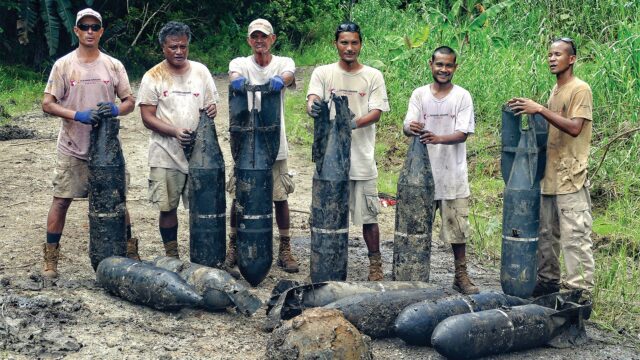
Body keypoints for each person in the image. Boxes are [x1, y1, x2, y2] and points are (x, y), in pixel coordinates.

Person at [41, 8, 137, 278]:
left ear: (101, 31)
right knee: (61, 201)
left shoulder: (113, 65)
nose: (90, 32)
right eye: (85, 27)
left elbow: (130, 101)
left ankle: (131, 250)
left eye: (95, 27)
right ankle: (51, 259)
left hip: (107, 150)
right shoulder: (64, 65)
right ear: (76, 31)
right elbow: (47, 103)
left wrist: (117, 110)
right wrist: (77, 115)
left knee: (117, 202)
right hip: (72, 147)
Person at [508, 38, 594, 300]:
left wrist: (540, 109)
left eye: (558, 54)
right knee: (546, 236)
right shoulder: (555, 90)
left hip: (571, 176)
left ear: (572, 59)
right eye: (549, 55)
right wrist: (532, 111)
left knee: (574, 237)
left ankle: (579, 293)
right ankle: (548, 283)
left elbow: (575, 127)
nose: (552, 58)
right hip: (550, 175)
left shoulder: (579, 89)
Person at [307, 21, 390, 280]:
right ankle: (326, 262)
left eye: (354, 42)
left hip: (361, 158)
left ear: (360, 44)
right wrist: (315, 108)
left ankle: (375, 264)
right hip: (329, 162)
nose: (349, 47)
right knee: (327, 215)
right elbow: (312, 101)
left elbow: (376, 112)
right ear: (336, 44)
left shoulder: (373, 75)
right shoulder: (323, 73)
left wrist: (349, 123)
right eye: (344, 42)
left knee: (368, 216)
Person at [224, 19, 299, 273]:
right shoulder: (240, 63)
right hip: (245, 143)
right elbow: (233, 75)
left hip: (274, 142)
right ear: (249, 40)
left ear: (272, 39)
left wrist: (280, 80)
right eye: (255, 37)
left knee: (279, 196)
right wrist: (236, 82)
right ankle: (233, 244)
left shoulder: (283, 62)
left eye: (264, 37)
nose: (259, 41)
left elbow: (289, 75)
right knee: (239, 196)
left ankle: (285, 247)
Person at [137, 21, 218, 258]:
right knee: (167, 207)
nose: (179, 51)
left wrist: (212, 110)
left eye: (183, 46)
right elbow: (146, 117)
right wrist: (174, 131)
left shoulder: (201, 72)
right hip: (165, 153)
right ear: (163, 47)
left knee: (202, 207)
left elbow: (211, 106)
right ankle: (171, 255)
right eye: (173, 47)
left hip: (199, 154)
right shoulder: (153, 76)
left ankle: (202, 252)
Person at [402, 46, 479, 294]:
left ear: (455, 67)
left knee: (457, 231)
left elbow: (463, 134)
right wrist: (411, 127)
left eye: (449, 65)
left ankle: (461, 275)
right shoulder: (419, 94)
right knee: (414, 230)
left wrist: (438, 138)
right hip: (420, 177)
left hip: (452, 176)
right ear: (431, 64)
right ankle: (412, 276)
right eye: (439, 65)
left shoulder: (462, 97)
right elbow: (407, 125)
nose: (443, 70)